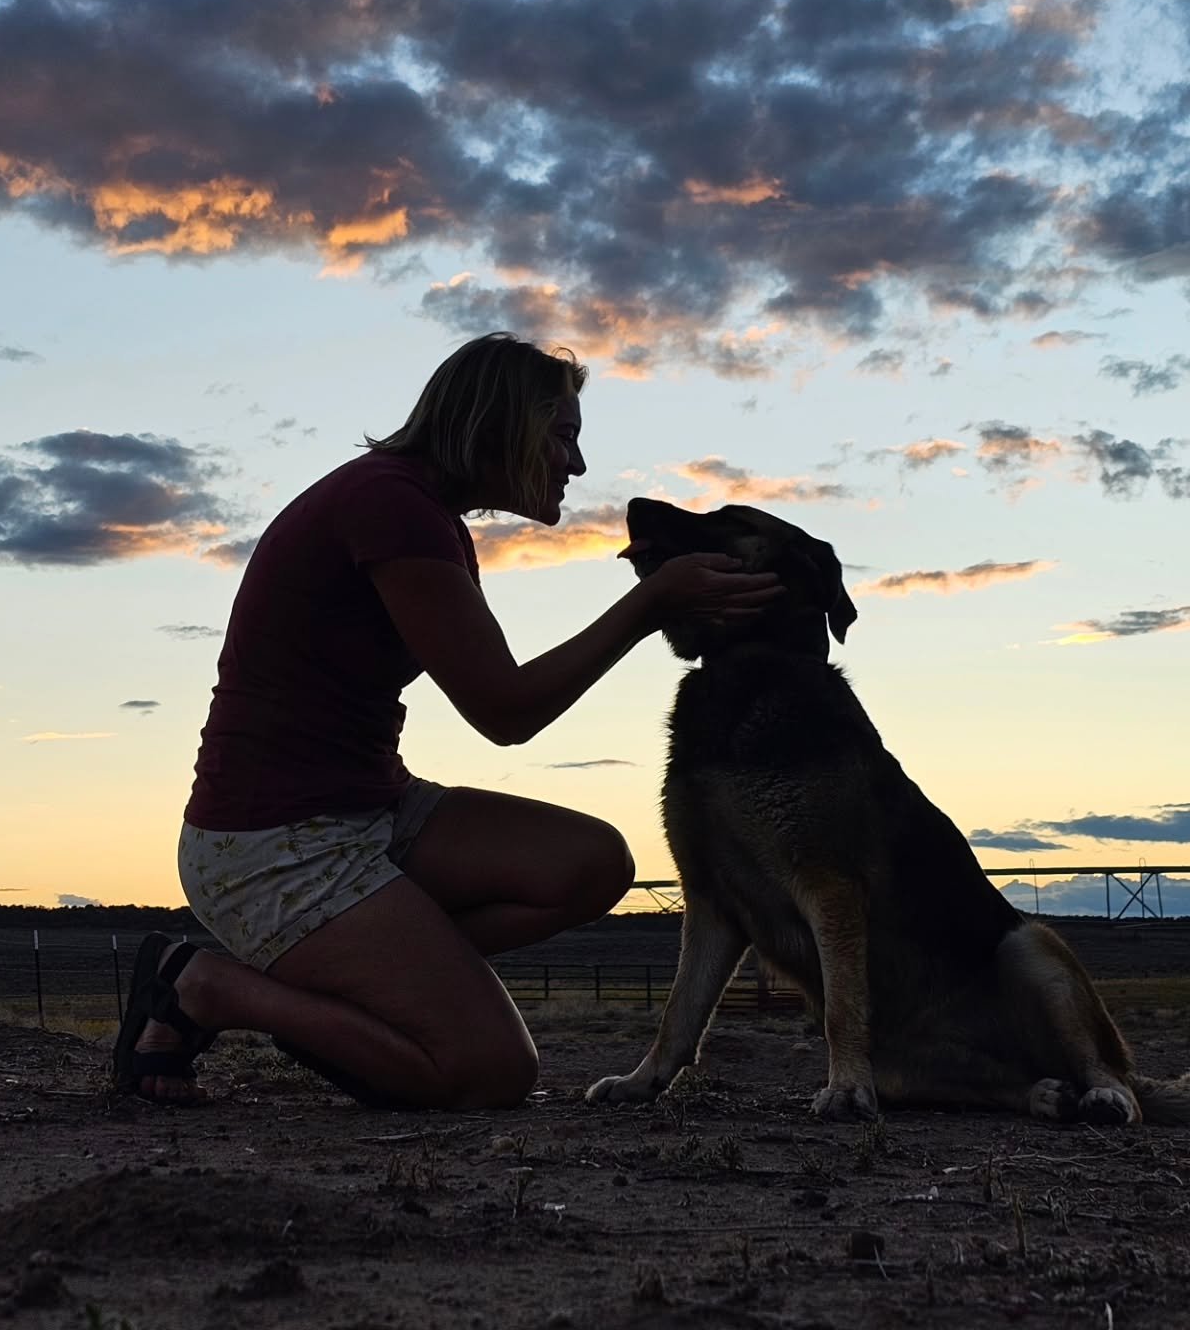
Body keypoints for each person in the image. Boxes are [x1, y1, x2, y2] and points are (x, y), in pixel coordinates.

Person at [113, 332, 782, 1110]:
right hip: (271, 846)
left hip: (372, 811)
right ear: (501, 425)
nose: (576, 464)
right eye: (562, 435)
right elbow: (505, 711)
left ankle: (369, 978)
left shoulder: (419, 513)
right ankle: (208, 987)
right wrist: (650, 604)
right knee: (492, 1071)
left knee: (592, 864)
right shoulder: (391, 508)